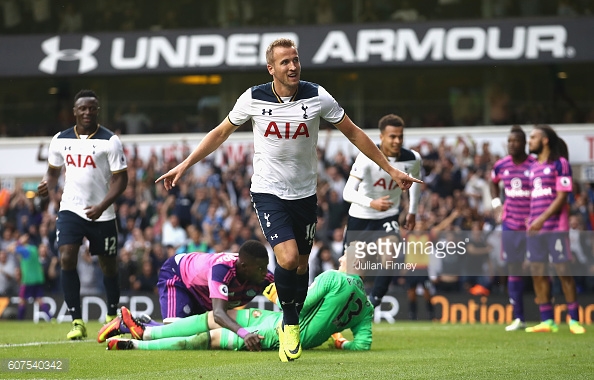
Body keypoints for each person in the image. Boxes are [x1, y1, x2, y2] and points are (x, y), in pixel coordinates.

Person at [155, 38, 420, 360]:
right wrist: (184, 165)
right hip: (268, 192)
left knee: (300, 265)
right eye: (285, 62)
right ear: (271, 68)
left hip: (305, 194)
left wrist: (389, 169)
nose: (293, 66)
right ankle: (290, 324)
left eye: (295, 60)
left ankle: (293, 313)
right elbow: (220, 133)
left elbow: (353, 132)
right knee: (288, 257)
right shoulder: (253, 98)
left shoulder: (317, 96)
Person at [105, 250, 373, 359]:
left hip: (272, 325)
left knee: (204, 329)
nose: (340, 259)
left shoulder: (333, 279)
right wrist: (337, 339)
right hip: (184, 279)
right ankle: (139, 337)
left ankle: (139, 335)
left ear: (352, 265)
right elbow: (362, 345)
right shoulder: (367, 309)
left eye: (344, 258)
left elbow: (296, 305)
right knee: (211, 326)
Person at [37, 89, 128, 340]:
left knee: (108, 265)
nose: (87, 112)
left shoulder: (110, 141)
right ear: (75, 111)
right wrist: (47, 184)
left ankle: (111, 317)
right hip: (71, 209)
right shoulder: (60, 139)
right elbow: (53, 172)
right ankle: (77, 321)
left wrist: (102, 205)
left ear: (97, 110)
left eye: (92, 108)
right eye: (83, 108)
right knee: (66, 257)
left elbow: (122, 181)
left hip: (103, 213)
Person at [98, 240, 273, 351]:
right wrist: (244, 334)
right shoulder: (223, 269)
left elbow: (283, 296)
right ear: (243, 266)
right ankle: (123, 326)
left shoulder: (264, 276)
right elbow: (219, 314)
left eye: (265, 266)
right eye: (260, 268)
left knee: (194, 333)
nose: (265, 272)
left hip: (204, 294)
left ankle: (144, 323)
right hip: (178, 277)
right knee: (177, 335)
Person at [342, 114, 422, 309]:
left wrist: (412, 211)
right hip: (360, 218)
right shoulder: (366, 157)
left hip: (387, 217)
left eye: (400, 136)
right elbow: (347, 193)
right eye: (392, 136)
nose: (397, 141)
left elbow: (415, 184)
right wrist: (372, 203)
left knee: (390, 253)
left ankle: (375, 299)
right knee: (354, 274)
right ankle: (353, 309)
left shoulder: (412, 159)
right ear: (381, 137)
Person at [524, 124, 585, 334]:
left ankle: (574, 320)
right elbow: (533, 197)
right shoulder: (532, 167)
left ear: (545, 140)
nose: (529, 141)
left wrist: (541, 219)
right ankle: (547, 320)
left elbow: (562, 197)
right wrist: (530, 219)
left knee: (563, 271)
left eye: (533, 137)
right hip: (535, 229)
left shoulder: (561, 164)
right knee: (538, 272)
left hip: (555, 227)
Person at [490, 125, 535, 331]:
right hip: (510, 223)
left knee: (540, 267)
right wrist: (496, 204)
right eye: (509, 141)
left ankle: (548, 314)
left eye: (515, 141)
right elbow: (493, 182)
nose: (511, 144)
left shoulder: (534, 164)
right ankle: (519, 317)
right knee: (513, 268)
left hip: (533, 224)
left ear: (524, 143)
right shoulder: (501, 165)